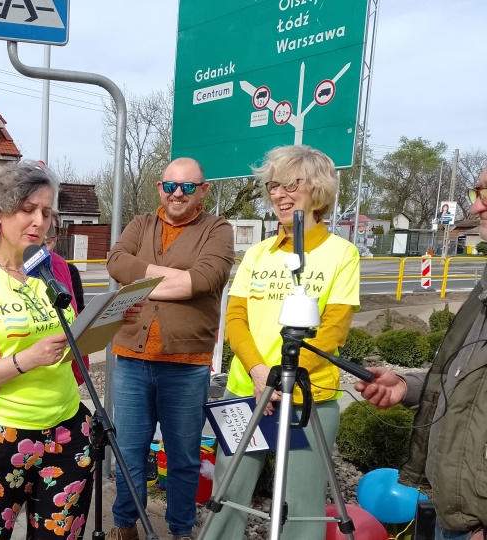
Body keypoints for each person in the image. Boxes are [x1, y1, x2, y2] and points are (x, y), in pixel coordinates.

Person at [0, 161, 140, 539]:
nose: (39, 221)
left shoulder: (57, 269)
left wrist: (111, 320)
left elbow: (74, 341)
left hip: (67, 431)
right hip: (1, 437)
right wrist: (25, 360)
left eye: (47, 212)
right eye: (27, 209)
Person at [203, 145, 361, 540]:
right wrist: (261, 373)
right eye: (274, 185)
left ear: (319, 190)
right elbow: (236, 318)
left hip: (309, 398)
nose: (279, 194)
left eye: (293, 184)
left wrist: (284, 380)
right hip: (248, 392)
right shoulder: (257, 253)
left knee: (302, 510)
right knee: (227, 496)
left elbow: (333, 329)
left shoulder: (342, 254)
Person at [354, 169, 487, 540]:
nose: (475, 207)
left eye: (485, 193)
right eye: (476, 192)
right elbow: (466, 380)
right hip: (456, 509)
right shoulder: (482, 291)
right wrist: (408, 386)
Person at [106, 157, 235, 540]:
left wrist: (142, 277)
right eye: (170, 186)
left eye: (188, 187)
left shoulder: (218, 229)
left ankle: (180, 530)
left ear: (203, 191)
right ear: (160, 187)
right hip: (131, 358)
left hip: (186, 363)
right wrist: (178, 279)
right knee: (129, 452)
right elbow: (115, 262)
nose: (177, 194)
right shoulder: (141, 223)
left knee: (183, 457)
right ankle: (126, 525)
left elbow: (206, 278)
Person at [43, 214, 85, 312]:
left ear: (58, 236)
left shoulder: (69, 270)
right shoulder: (23, 269)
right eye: (43, 229)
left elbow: (78, 310)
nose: (46, 236)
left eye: (52, 230)